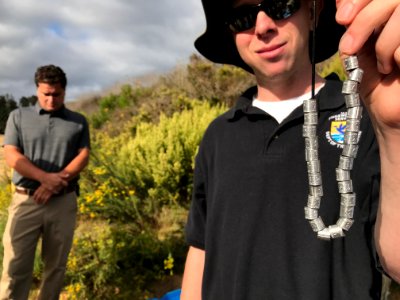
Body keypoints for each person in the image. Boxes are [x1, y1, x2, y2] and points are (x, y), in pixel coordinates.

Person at [181, 0, 400, 299]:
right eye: (241, 17)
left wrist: (394, 132)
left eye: (280, 5)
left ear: (312, 12)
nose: (262, 26)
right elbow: (201, 248)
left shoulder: (369, 113)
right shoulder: (217, 136)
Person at [0, 65, 90, 300]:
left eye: (56, 94)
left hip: (63, 203)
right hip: (26, 201)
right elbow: (12, 155)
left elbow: (83, 156)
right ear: (37, 90)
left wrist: (54, 185)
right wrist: (45, 179)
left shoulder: (78, 122)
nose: (51, 99)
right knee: (15, 266)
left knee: (56, 267)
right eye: (46, 94)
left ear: (64, 91)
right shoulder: (18, 117)